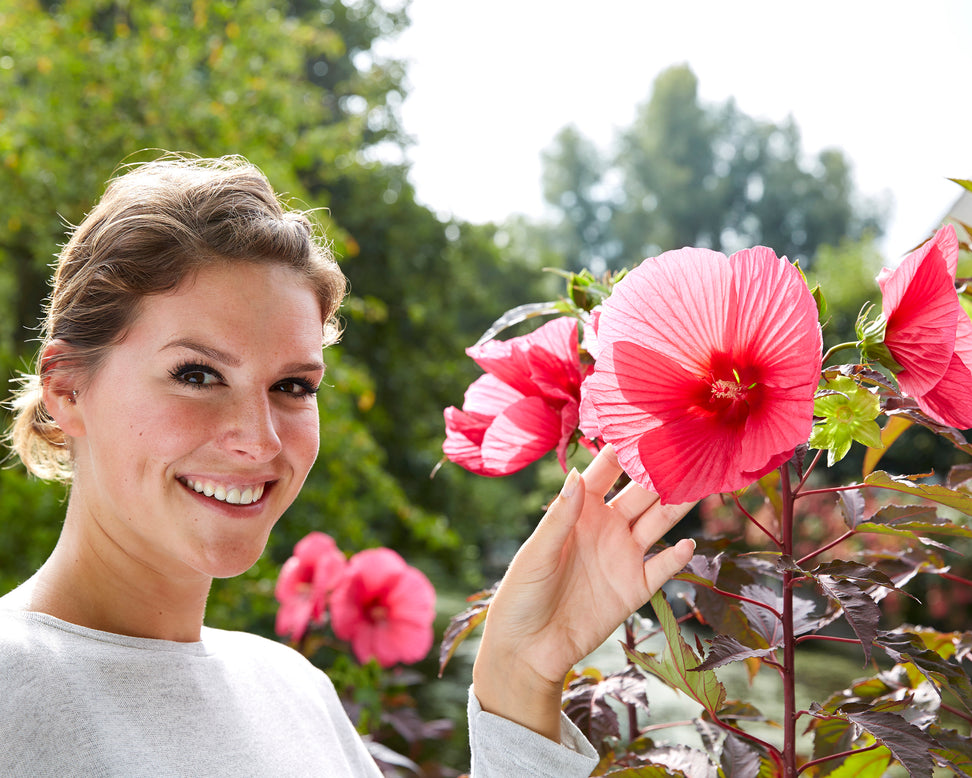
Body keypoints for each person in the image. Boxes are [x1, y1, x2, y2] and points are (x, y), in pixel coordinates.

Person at [0, 154, 696, 777]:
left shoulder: (293, 692)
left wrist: (518, 679)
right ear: (67, 389)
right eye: (197, 374)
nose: (260, 440)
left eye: (292, 385)